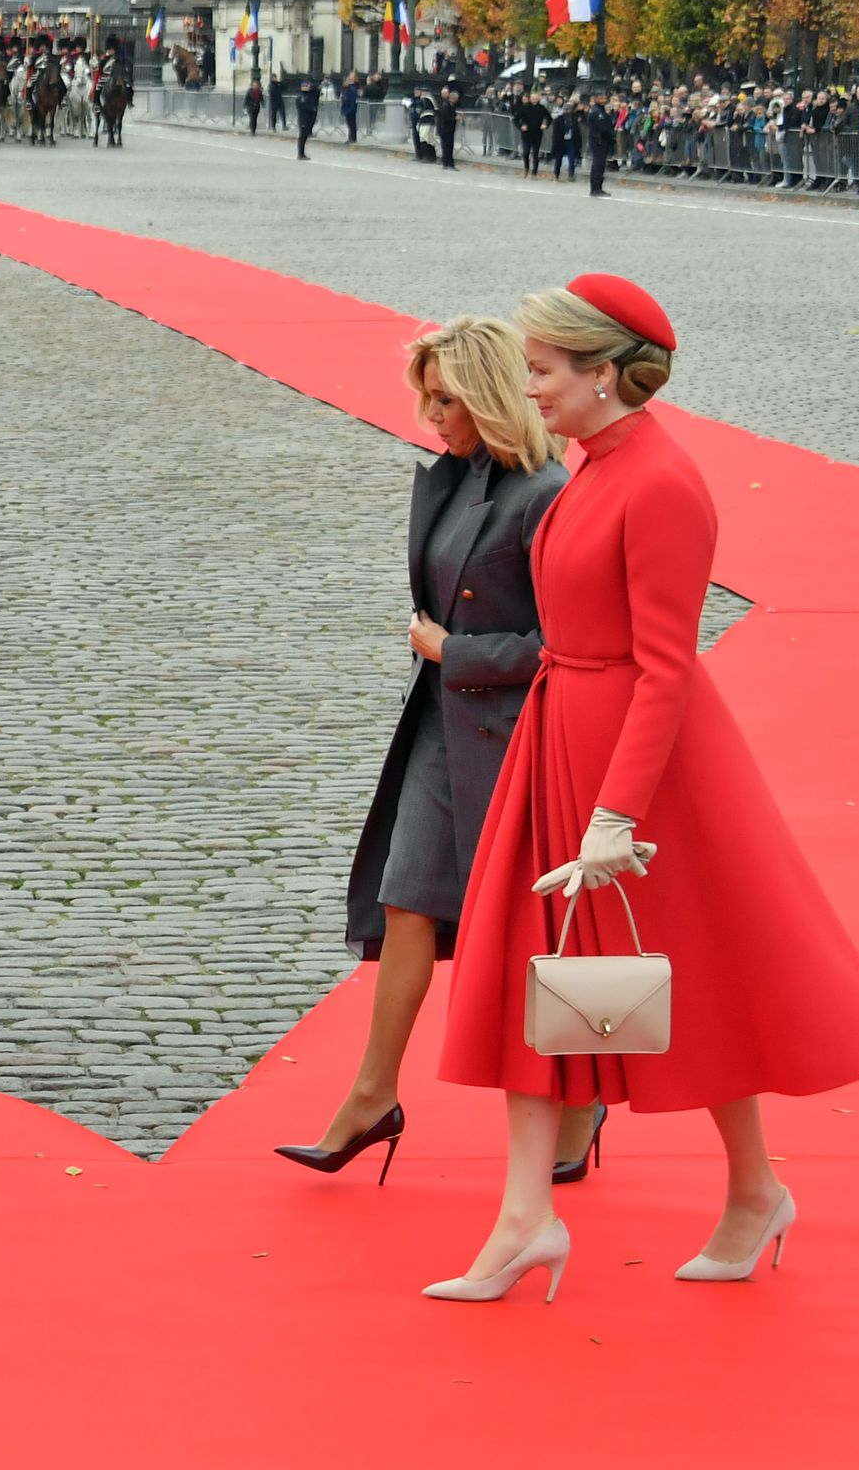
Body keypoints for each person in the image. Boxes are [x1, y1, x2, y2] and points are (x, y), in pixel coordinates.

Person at [427, 276, 859, 1303]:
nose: (529, 388)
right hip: (560, 738)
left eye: (545, 371)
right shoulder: (594, 465)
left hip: (637, 766)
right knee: (535, 971)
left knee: (692, 979)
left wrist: (616, 814)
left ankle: (753, 1190)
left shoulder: (661, 483)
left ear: (605, 373)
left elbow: (667, 664)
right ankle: (525, 1216)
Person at [277, 318, 566, 1183]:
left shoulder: (546, 492)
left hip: (514, 740)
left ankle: (580, 1099)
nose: (429, 414)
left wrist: (456, 652)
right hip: (445, 725)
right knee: (406, 900)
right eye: (426, 395)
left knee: (527, 933)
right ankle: (372, 1095)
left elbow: (570, 640)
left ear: (485, 394)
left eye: (444, 398)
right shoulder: (460, 476)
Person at [585, 92, 615, 197]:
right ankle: (595, 188)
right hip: (598, 141)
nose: (603, 99)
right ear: (596, 98)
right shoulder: (597, 112)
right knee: (598, 165)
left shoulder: (600, 110)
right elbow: (603, 128)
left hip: (600, 141)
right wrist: (612, 136)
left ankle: (598, 187)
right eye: (600, 98)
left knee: (600, 165)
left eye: (604, 97)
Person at [294, 76, 320, 160]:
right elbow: (304, 107)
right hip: (303, 119)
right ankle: (300, 154)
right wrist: (312, 109)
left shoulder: (309, 96)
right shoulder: (300, 97)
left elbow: (316, 93)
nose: (307, 87)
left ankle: (302, 153)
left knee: (304, 137)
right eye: (305, 86)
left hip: (308, 119)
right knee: (302, 137)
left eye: (307, 86)